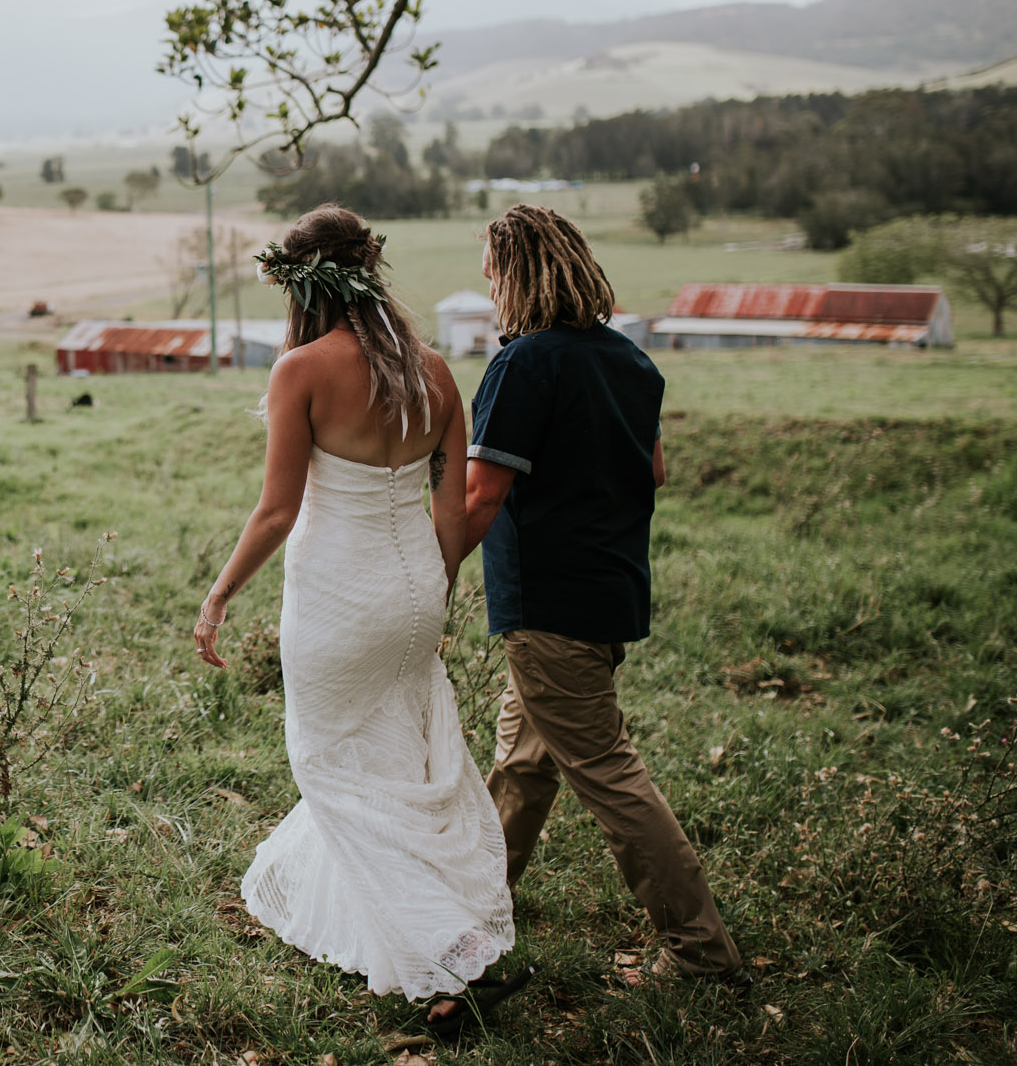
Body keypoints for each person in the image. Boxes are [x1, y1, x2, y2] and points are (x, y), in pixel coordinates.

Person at [194, 204, 521, 1034]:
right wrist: (432, 592)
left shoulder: (301, 369)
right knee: (398, 759)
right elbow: (453, 512)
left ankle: (444, 959)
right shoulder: (436, 372)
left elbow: (276, 511)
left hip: (338, 594)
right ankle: (439, 920)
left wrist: (220, 592)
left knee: (328, 764)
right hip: (416, 587)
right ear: (368, 269)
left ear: (304, 281)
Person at [463, 203, 746, 988]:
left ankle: (700, 952)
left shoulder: (524, 364)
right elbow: (650, 469)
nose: (486, 287)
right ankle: (469, 917)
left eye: (491, 272)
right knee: (523, 765)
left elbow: (482, 491)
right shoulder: (631, 362)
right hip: (607, 590)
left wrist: (432, 564)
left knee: (609, 772)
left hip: (546, 602)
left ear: (515, 273)